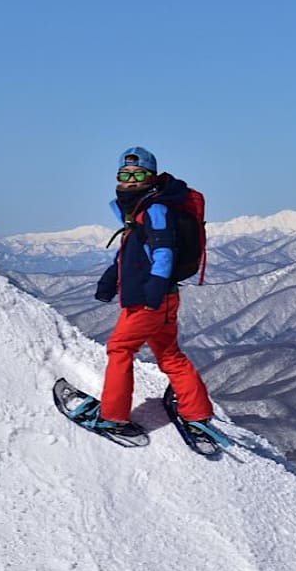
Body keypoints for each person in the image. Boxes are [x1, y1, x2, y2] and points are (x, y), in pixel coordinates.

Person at [91, 146, 215, 434]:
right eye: (125, 174)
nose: (130, 180)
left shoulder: (154, 209)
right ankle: (197, 412)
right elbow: (132, 254)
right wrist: (109, 282)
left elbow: (164, 253)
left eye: (139, 174)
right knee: (170, 354)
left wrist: (153, 293)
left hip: (149, 300)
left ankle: (114, 416)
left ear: (152, 176)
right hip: (164, 297)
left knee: (120, 348)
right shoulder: (140, 210)